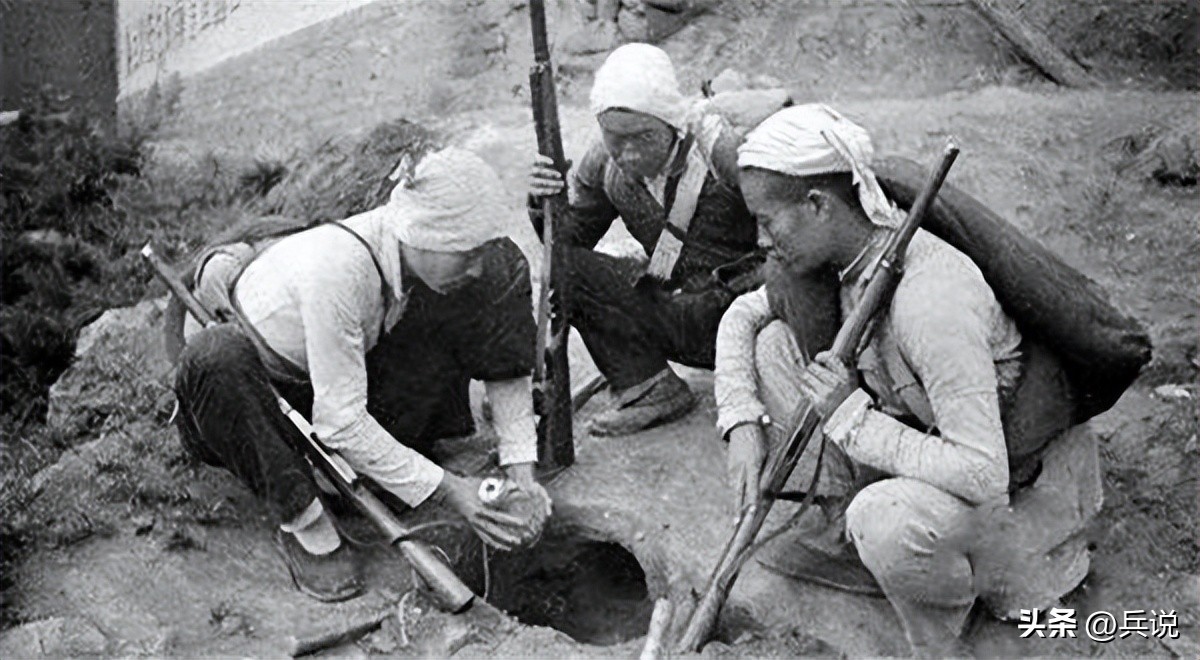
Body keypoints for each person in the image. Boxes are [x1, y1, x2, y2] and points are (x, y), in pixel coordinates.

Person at [715, 105, 1102, 656]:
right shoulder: (843, 257)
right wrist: (741, 422)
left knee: (883, 520)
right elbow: (741, 315)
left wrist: (854, 420)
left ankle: (957, 603)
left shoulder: (931, 300)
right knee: (774, 345)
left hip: (1013, 483)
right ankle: (857, 543)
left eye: (767, 220)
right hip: (927, 439)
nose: (760, 238)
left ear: (818, 205)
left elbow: (983, 471)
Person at [172, 147, 553, 603]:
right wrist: (451, 490)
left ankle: (359, 472)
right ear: (420, 234)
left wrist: (521, 474)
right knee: (217, 358)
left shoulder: (418, 257)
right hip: (264, 399)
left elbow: (500, 351)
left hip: (341, 373)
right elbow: (341, 421)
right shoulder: (339, 269)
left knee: (499, 270)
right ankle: (306, 522)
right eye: (464, 254)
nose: (473, 266)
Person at [528, 43, 767, 436]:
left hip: (739, 321)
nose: (628, 152)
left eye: (643, 136)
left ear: (671, 124)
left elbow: (787, 236)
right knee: (564, 268)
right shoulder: (603, 163)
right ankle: (650, 387)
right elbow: (569, 240)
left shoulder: (720, 152)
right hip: (673, 308)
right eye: (614, 137)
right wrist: (544, 202)